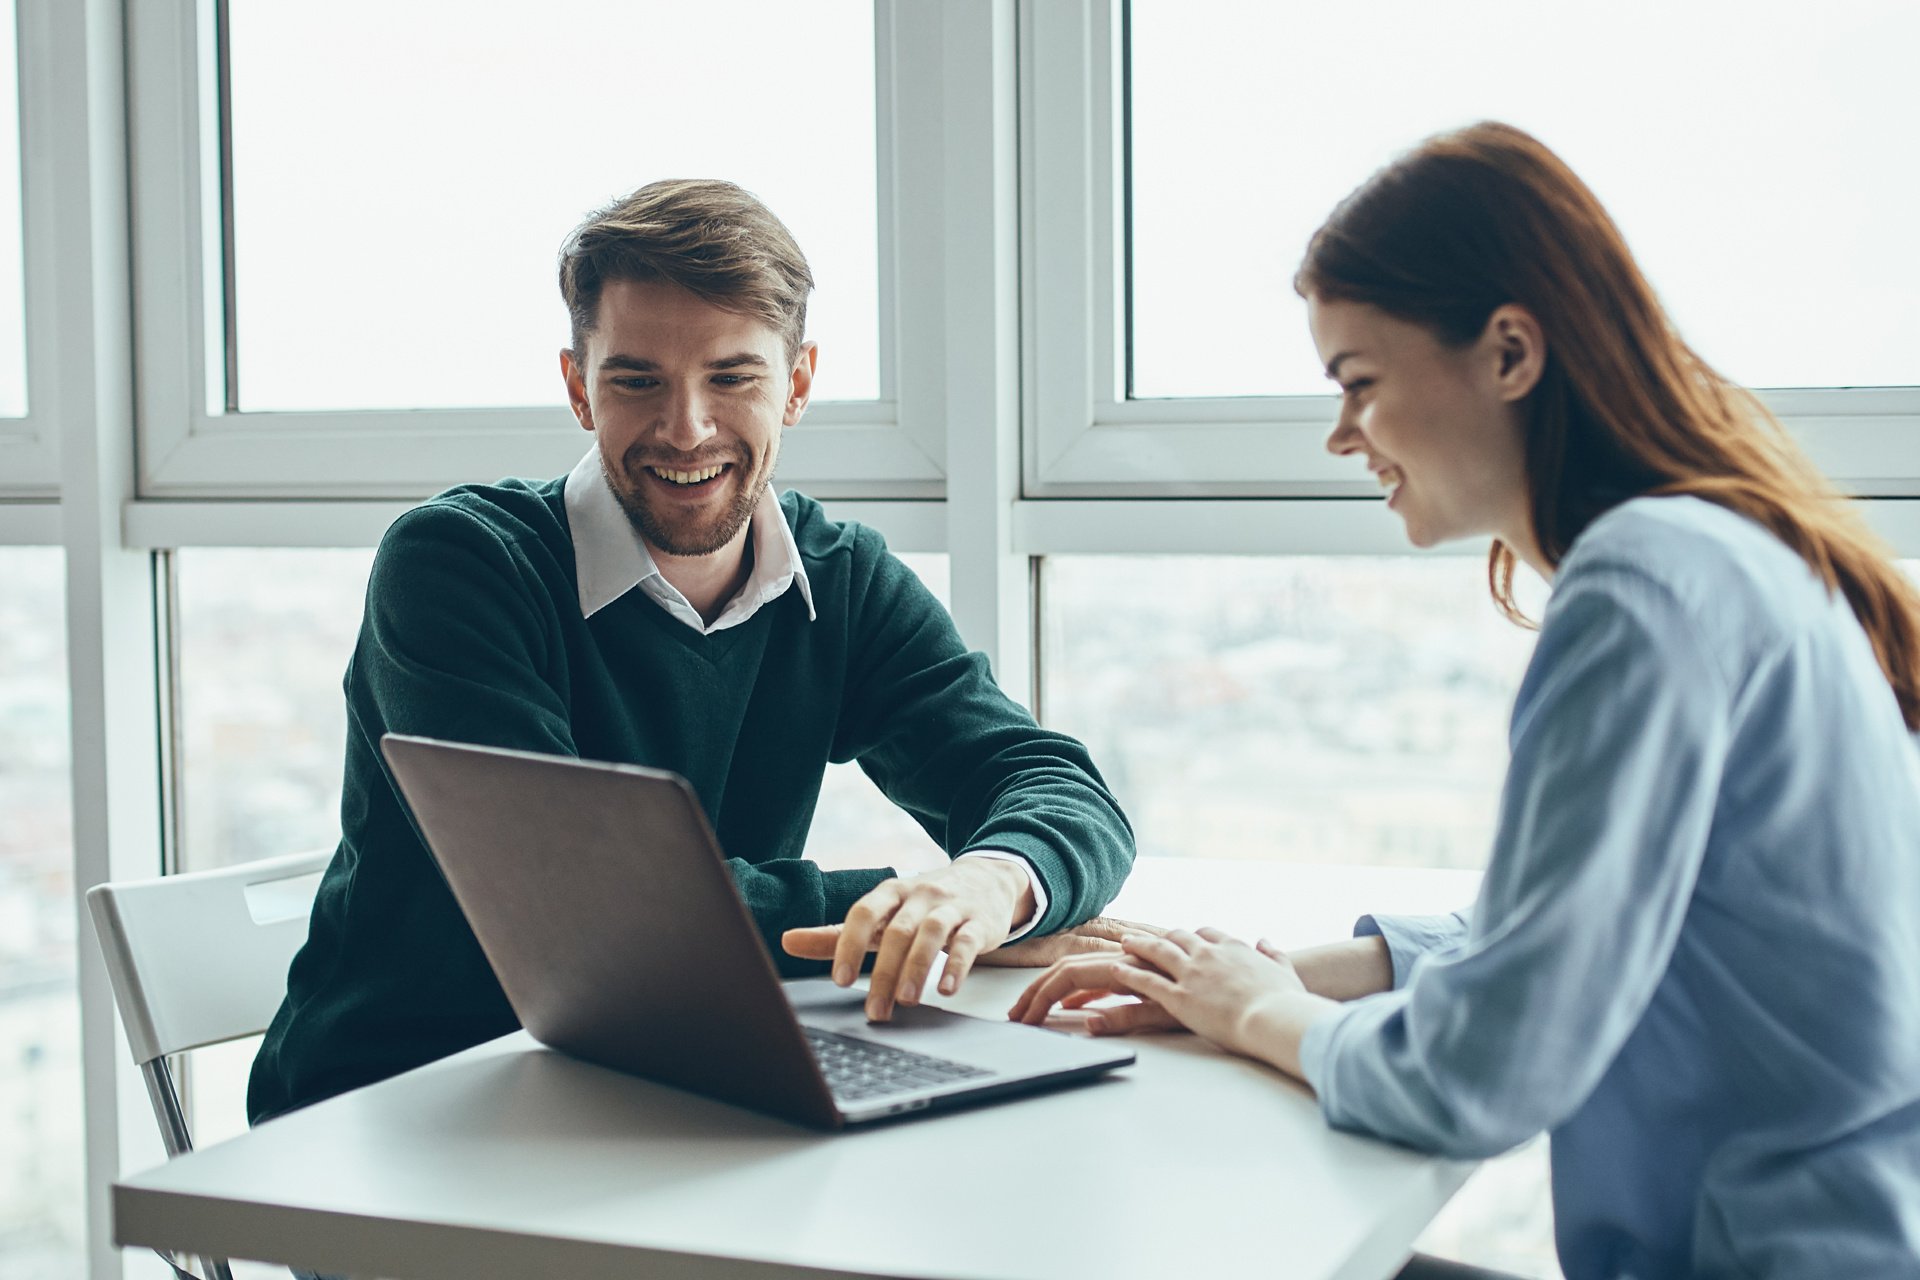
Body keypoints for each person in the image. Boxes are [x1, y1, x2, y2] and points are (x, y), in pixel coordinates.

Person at [1012, 122, 1920, 1279]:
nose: (1344, 435)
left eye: (1360, 382)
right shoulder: (1724, 556)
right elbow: (1547, 936)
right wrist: (1246, 972)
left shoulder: (1644, 590)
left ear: (1507, 352)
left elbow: (1482, 1076)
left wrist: (1258, 1017)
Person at [248, 179, 1136, 1125]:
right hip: (401, 1112)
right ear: (577, 388)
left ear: (796, 386)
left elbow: (1052, 783)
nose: (686, 429)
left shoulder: (839, 581)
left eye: (732, 377)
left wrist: (987, 886)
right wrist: (894, 918)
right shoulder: (461, 567)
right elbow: (590, 911)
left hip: (669, 1085)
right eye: (636, 380)